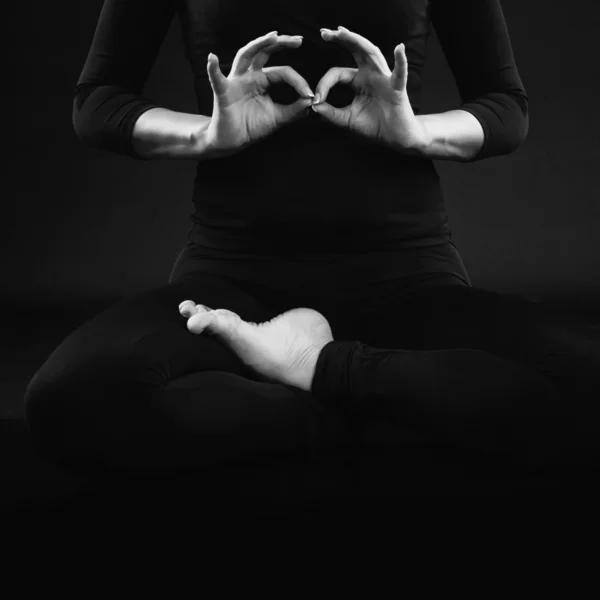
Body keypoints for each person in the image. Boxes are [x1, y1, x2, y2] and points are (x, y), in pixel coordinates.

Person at [24, 0, 599, 479]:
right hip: (231, 281)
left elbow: (506, 108)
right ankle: (380, 416)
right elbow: (97, 100)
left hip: (409, 278)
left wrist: (415, 132)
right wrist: (208, 135)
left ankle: (315, 369)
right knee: (70, 401)